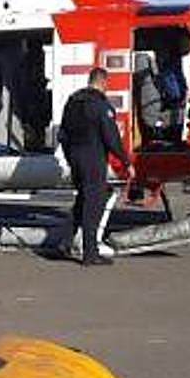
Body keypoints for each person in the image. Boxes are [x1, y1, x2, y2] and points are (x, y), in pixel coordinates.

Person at [57, 67, 132, 266]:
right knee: (93, 205)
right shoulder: (100, 105)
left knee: (82, 200)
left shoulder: (73, 101)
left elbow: (62, 134)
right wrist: (126, 162)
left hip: (75, 156)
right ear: (103, 82)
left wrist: (70, 157)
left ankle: (64, 242)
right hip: (93, 158)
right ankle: (90, 253)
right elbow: (111, 138)